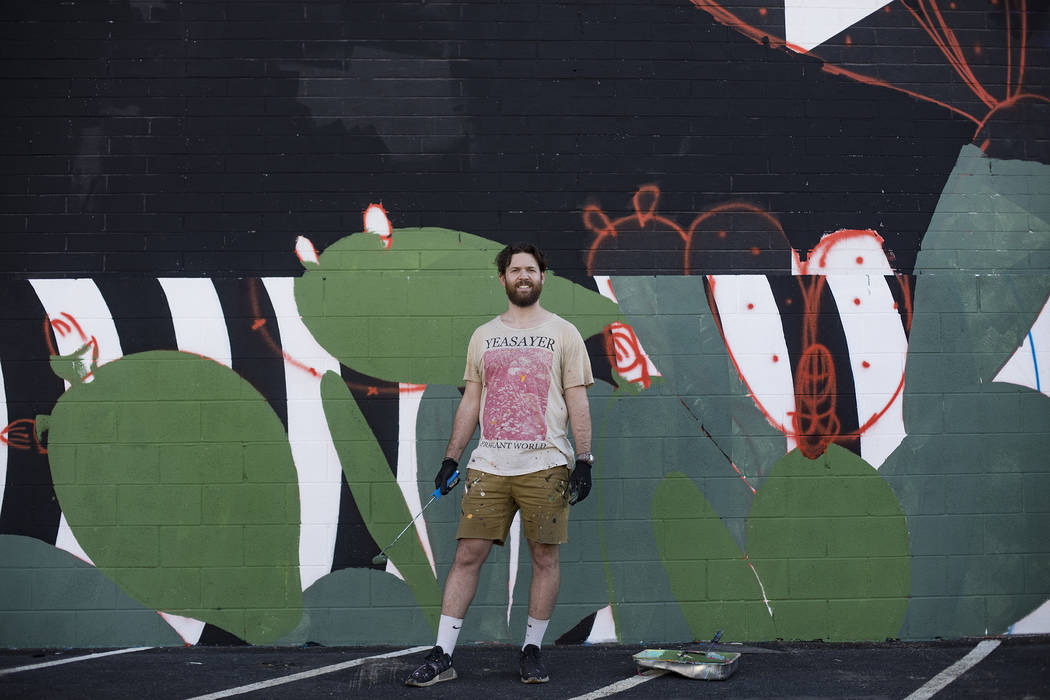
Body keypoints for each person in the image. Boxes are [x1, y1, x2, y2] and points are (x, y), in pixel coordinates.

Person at [405, 242, 595, 687]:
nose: (523, 276)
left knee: (544, 556)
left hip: (546, 464)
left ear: (542, 277)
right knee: (467, 555)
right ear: (503, 279)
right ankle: (443, 654)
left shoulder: (564, 332)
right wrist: (452, 456)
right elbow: (472, 400)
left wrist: (584, 459)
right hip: (488, 465)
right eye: (515, 270)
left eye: (531, 269)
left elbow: (578, 400)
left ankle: (531, 650)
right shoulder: (483, 336)